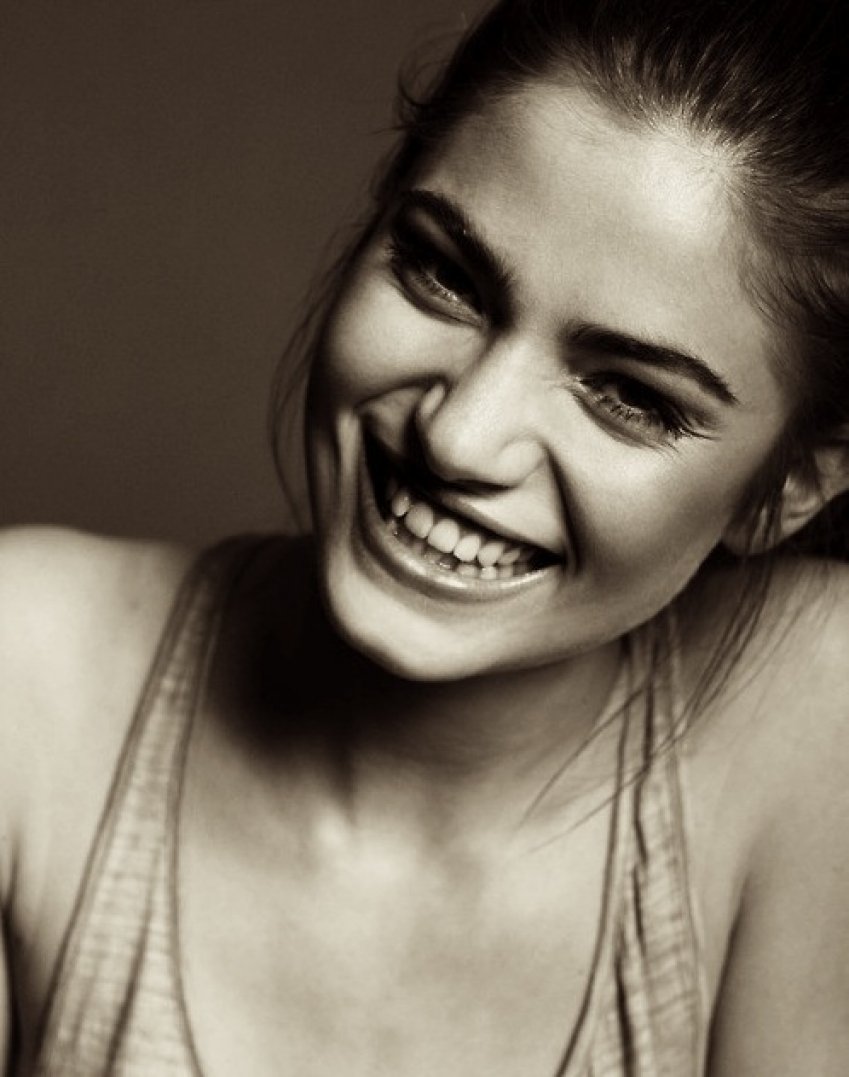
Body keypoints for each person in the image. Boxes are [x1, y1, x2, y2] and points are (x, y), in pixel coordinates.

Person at [3, 0, 849, 1072]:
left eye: (631, 396)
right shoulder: (25, 678)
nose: (458, 436)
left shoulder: (812, 715)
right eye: (446, 276)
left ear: (795, 486)